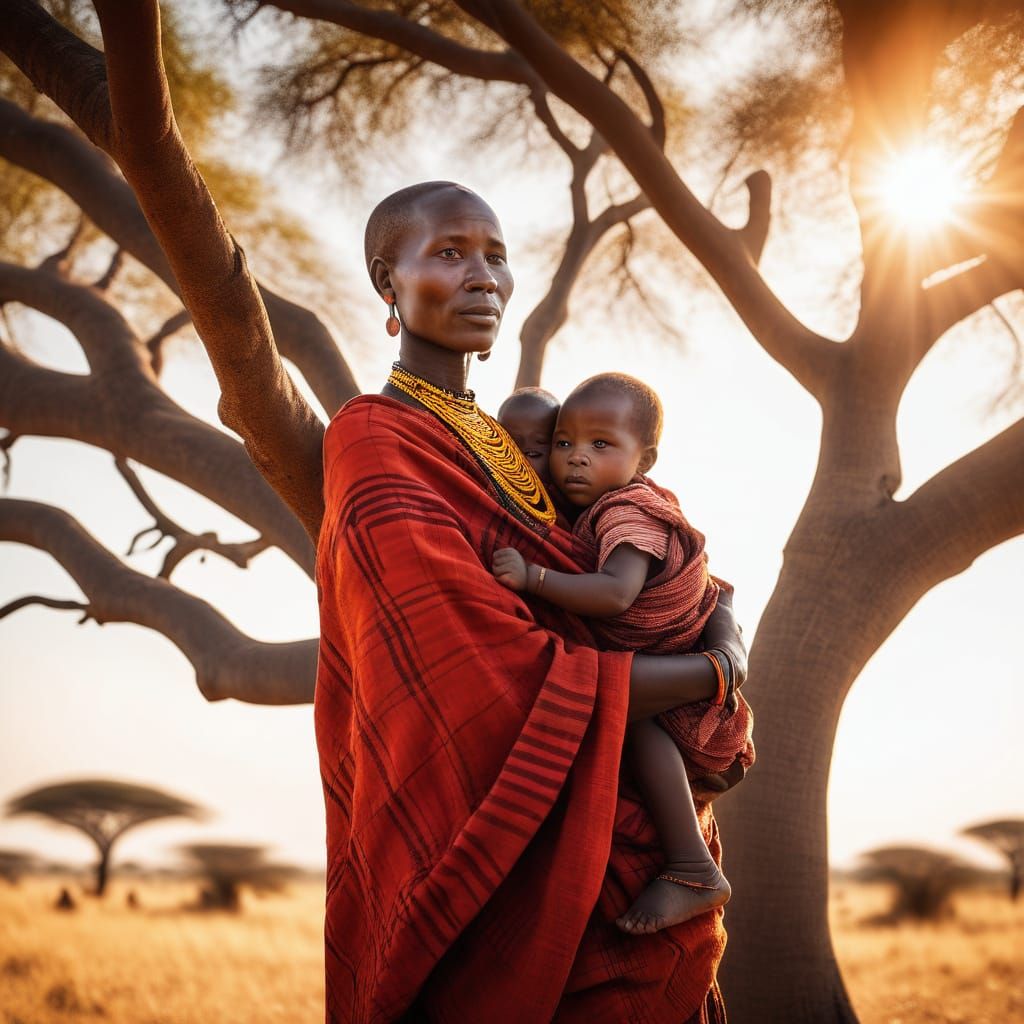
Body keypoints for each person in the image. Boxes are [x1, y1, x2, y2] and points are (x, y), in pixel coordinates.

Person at [316, 180, 747, 1023]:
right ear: (386, 282)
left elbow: (655, 567)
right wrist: (707, 675)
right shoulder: (374, 437)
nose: (483, 277)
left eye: (497, 256)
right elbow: (477, 674)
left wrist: (721, 627)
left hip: (624, 840)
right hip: (512, 849)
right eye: (449, 253)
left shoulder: (531, 447)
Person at [491, 373, 754, 936]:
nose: (575, 460)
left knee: (625, 716)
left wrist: (534, 577)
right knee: (623, 714)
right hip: (683, 671)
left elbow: (615, 594)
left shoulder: (627, 513)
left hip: (687, 691)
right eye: (562, 445)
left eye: (600, 445)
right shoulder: (608, 506)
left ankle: (693, 867)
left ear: (645, 458)